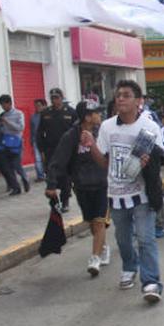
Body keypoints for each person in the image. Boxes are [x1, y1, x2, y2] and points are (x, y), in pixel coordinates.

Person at [90, 80, 164, 302]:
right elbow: (104, 162)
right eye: (118, 95)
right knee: (123, 239)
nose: (121, 99)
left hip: (142, 194)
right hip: (116, 194)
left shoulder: (149, 127)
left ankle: (151, 282)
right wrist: (91, 145)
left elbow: (161, 158)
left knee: (145, 238)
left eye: (126, 95)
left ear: (138, 101)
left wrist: (148, 161)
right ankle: (130, 266)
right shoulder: (107, 127)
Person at [45, 100, 110, 277]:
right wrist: (51, 184)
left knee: (99, 221)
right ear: (87, 117)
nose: (100, 115)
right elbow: (57, 161)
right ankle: (103, 246)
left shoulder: (103, 132)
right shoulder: (71, 136)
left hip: (102, 185)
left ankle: (95, 258)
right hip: (81, 186)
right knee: (91, 221)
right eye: (96, 112)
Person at [36, 88, 77, 210]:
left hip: (66, 151)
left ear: (62, 98)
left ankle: (65, 201)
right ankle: (53, 202)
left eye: (57, 98)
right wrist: (41, 150)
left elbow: (76, 131)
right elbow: (40, 133)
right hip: (50, 151)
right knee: (51, 177)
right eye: (52, 98)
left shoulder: (71, 112)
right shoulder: (45, 113)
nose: (54, 100)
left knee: (66, 178)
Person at [0, 95, 29, 195]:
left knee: (16, 165)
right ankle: (16, 188)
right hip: (5, 144)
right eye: (1, 105)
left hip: (16, 143)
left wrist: (7, 122)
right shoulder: (2, 115)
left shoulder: (18, 113)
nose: (3, 107)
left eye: (4, 104)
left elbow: (20, 128)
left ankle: (24, 178)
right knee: (7, 167)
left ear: (9, 103)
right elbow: (0, 131)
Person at [29, 98, 47, 181]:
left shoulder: (48, 115)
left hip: (47, 139)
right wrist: (31, 139)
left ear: (44, 106)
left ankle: (48, 173)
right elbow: (32, 129)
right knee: (38, 158)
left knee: (47, 157)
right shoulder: (33, 117)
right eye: (35, 106)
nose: (37, 107)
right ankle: (40, 176)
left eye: (39, 106)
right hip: (36, 140)